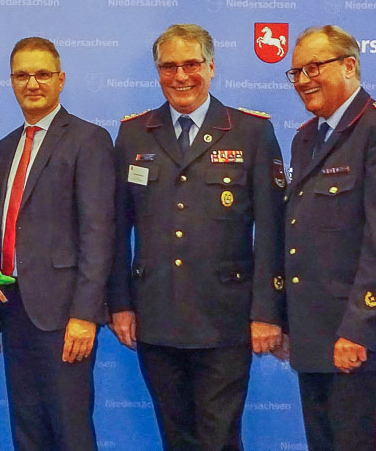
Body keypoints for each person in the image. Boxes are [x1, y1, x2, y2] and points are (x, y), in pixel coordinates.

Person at [107, 23, 286, 451]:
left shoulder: (251, 132)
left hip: (226, 319)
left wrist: (267, 312)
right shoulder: (134, 133)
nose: (181, 76)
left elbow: (273, 230)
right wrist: (120, 304)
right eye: (169, 67)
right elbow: (115, 229)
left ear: (211, 67)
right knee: (176, 437)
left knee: (218, 439)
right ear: (158, 72)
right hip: (156, 316)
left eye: (191, 64)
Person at [284, 25, 376, 451]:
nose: (303, 80)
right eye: (296, 72)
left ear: (349, 66)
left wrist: (360, 330)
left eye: (314, 67)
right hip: (316, 338)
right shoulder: (306, 138)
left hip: (363, 340)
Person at [0, 37, 116, 451]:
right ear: (11, 82)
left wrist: (85, 314)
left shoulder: (88, 139)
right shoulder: (5, 147)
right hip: (13, 308)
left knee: (70, 430)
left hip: (63, 313)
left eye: (42, 74)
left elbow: (98, 233)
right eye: (22, 75)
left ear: (61, 80)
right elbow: (0, 232)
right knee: (27, 431)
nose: (32, 83)